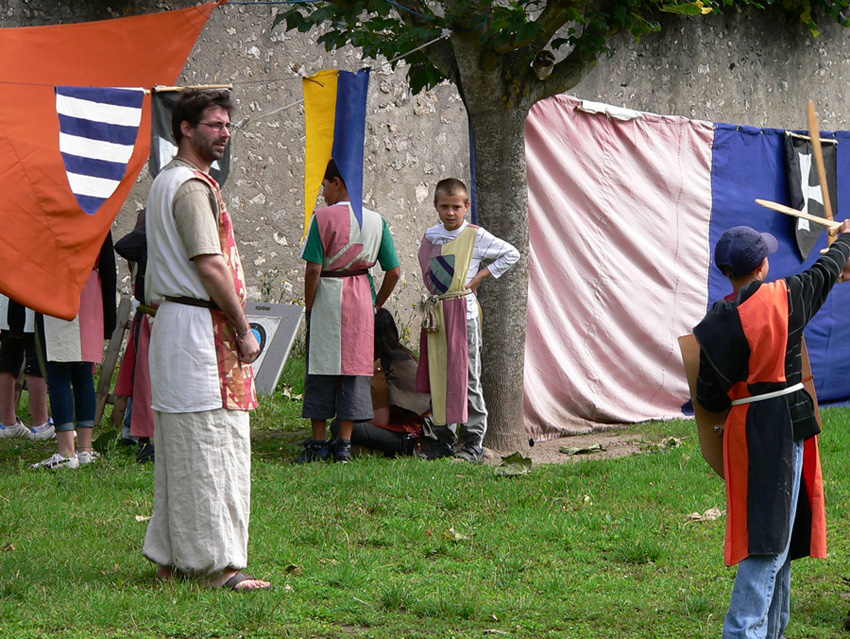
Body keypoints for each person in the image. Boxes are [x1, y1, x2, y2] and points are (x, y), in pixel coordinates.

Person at [694, 223, 850, 639]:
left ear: (728, 272)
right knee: (767, 539)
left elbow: (709, 397)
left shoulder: (715, 323)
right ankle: (743, 631)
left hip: (747, 429)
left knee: (779, 532)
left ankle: (772, 632)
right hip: (778, 430)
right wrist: (845, 240)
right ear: (763, 267)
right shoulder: (786, 298)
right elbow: (824, 271)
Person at [141, 89, 269, 591]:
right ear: (185, 128)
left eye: (227, 126)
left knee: (180, 449)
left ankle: (170, 558)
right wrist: (242, 329)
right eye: (214, 125)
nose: (224, 133)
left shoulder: (164, 181)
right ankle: (219, 567)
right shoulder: (191, 186)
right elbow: (210, 264)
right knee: (212, 446)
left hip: (178, 326)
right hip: (200, 332)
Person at [296, 159, 401, 463]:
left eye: (325, 186)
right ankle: (344, 443)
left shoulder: (322, 217)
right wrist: (376, 302)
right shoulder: (376, 221)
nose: (324, 193)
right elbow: (393, 271)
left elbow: (314, 269)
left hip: (328, 296)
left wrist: (309, 304)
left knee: (320, 367)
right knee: (355, 370)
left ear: (337, 183)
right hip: (361, 302)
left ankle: (318, 444)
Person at [416, 178, 519, 462]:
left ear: (466, 206)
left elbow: (511, 253)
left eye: (456, 207)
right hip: (438, 315)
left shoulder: (475, 236)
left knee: (468, 376)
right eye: (445, 207)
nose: (451, 213)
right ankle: (444, 439)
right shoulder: (432, 236)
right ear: (436, 206)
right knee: (441, 375)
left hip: (465, 314)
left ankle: (474, 439)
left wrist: (479, 278)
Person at [31, 235, 116, 469]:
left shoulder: (53, 209)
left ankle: (67, 452)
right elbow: (109, 264)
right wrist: (109, 318)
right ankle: (85, 449)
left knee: (60, 372)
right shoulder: (96, 207)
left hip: (57, 286)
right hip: (90, 288)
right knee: (82, 372)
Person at [331, 308, 431, 457]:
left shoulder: (381, 366)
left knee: (339, 426)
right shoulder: (406, 356)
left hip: (412, 438)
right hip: (429, 433)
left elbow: (380, 420)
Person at [113, 208, 156, 463]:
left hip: (169, 313)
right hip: (151, 312)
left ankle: (140, 432)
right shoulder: (148, 228)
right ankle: (142, 438)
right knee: (145, 382)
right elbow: (126, 246)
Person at [0, 295, 51, 440]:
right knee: (36, 357)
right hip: (30, 299)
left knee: (8, 357)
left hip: (7, 297)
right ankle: (41, 425)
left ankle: (8, 423)